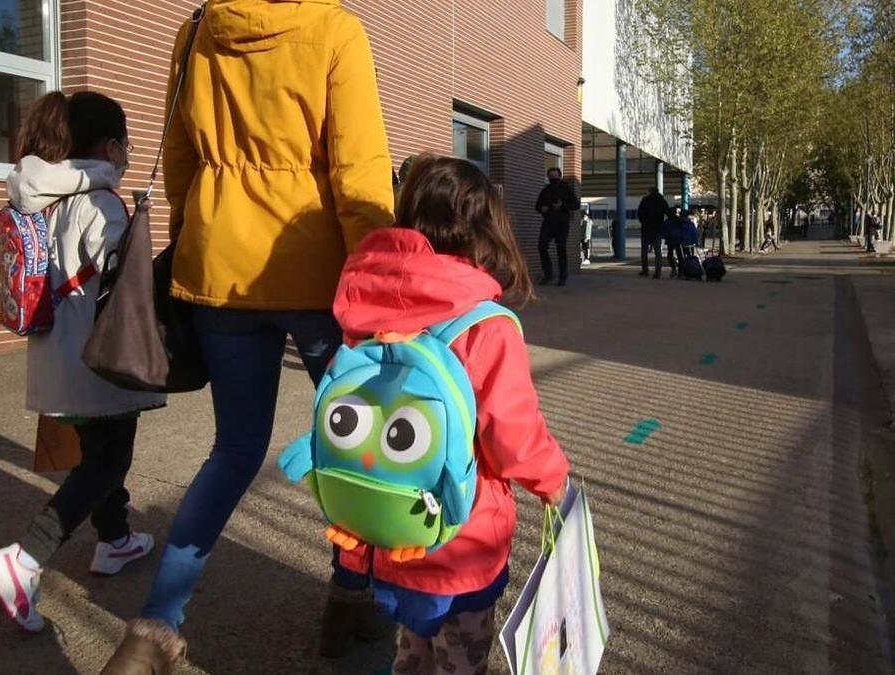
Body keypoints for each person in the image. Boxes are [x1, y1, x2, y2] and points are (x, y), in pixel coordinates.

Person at [101, 2, 395, 671]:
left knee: (233, 449)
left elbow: (179, 159)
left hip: (221, 270)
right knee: (360, 451)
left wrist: (204, 236)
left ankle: (153, 627)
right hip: (316, 273)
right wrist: (379, 283)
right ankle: (352, 599)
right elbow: (360, 175)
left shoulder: (199, 28)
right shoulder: (335, 29)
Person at [333, 156, 570, 675]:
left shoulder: (365, 305)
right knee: (461, 653)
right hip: (459, 533)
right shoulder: (484, 323)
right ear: (487, 228)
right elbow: (512, 435)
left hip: (388, 523)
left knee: (412, 648)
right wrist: (553, 480)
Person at [0, 91, 162, 633]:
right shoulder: (99, 201)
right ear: (110, 146)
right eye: (125, 146)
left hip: (55, 360)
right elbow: (122, 276)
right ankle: (27, 557)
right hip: (99, 362)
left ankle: (115, 540)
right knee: (106, 462)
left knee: (101, 454)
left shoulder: (39, 197)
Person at [535, 167, 580, 286]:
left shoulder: (566, 188)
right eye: (551, 176)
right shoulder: (546, 190)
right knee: (542, 246)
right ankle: (548, 274)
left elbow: (576, 205)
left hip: (562, 224)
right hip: (548, 223)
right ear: (548, 177)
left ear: (559, 176)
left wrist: (562, 205)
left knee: (561, 250)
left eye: (555, 176)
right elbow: (538, 206)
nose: (553, 178)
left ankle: (563, 276)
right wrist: (542, 208)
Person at [637, 186, 669, 278]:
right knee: (658, 252)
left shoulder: (645, 200)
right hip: (657, 230)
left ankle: (645, 270)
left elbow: (639, 213)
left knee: (644, 252)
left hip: (646, 230)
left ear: (650, 192)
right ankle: (657, 272)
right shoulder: (662, 201)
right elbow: (668, 212)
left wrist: (644, 222)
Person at [664, 206, 685, 277]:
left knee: (670, 255)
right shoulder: (679, 220)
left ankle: (674, 269)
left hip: (670, 240)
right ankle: (681, 271)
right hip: (678, 240)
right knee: (680, 255)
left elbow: (665, 231)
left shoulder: (667, 221)